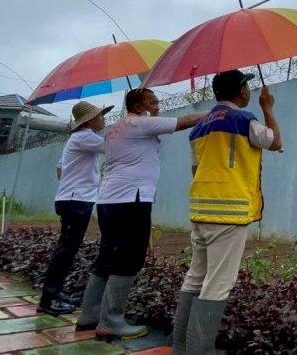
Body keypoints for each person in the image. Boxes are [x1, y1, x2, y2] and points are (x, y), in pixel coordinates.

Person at [77, 88, 207, 341]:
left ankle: (89, 316)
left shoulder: (117, 128)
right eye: (153, 102)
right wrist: (220, 110)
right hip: (131, 199)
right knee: (128, 259)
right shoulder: (139, 122)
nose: (158, 106)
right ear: (138, 106)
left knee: (107, 257)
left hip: (109, 200)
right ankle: (111, 321)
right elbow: (186, 121)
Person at [171, 70, 281, 354]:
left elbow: (196, 169)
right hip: (229, 213)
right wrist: (267, 107)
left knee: (195, 277)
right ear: (242, 91)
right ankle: (200, 351)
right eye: (247, 87)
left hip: (201, 209)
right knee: (218, 284)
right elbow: (275, 141)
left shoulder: (200, 126)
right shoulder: (244, 119)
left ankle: (180, 347)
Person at [37, 101, 113, 316]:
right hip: (76, 201)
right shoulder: (85, 137)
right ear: (89, 120)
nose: (103, 118)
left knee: (67, 247)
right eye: (100, 115)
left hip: (70, 198)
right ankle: (49, 298)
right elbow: (113, 148)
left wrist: (68, 187)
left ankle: (54, 294)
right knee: (66, 249)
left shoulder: (77, 139)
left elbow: (60, 168)